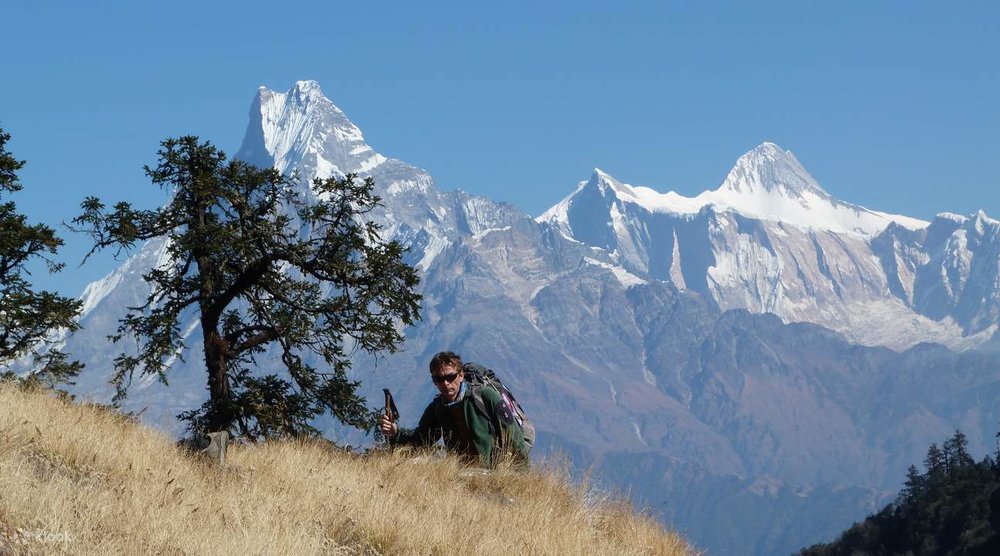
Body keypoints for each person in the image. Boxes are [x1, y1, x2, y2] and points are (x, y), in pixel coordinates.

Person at [380, 351, 529, 468]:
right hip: (461, 475)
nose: (445, 383)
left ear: (461, 375)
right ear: (434, 381)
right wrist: (394, 434)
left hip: (495, 473)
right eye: (439, 379)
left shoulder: (485, 397)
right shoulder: (437, 408)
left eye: (450, 377)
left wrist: (520, 480)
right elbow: (420, 442)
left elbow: (515, 440)